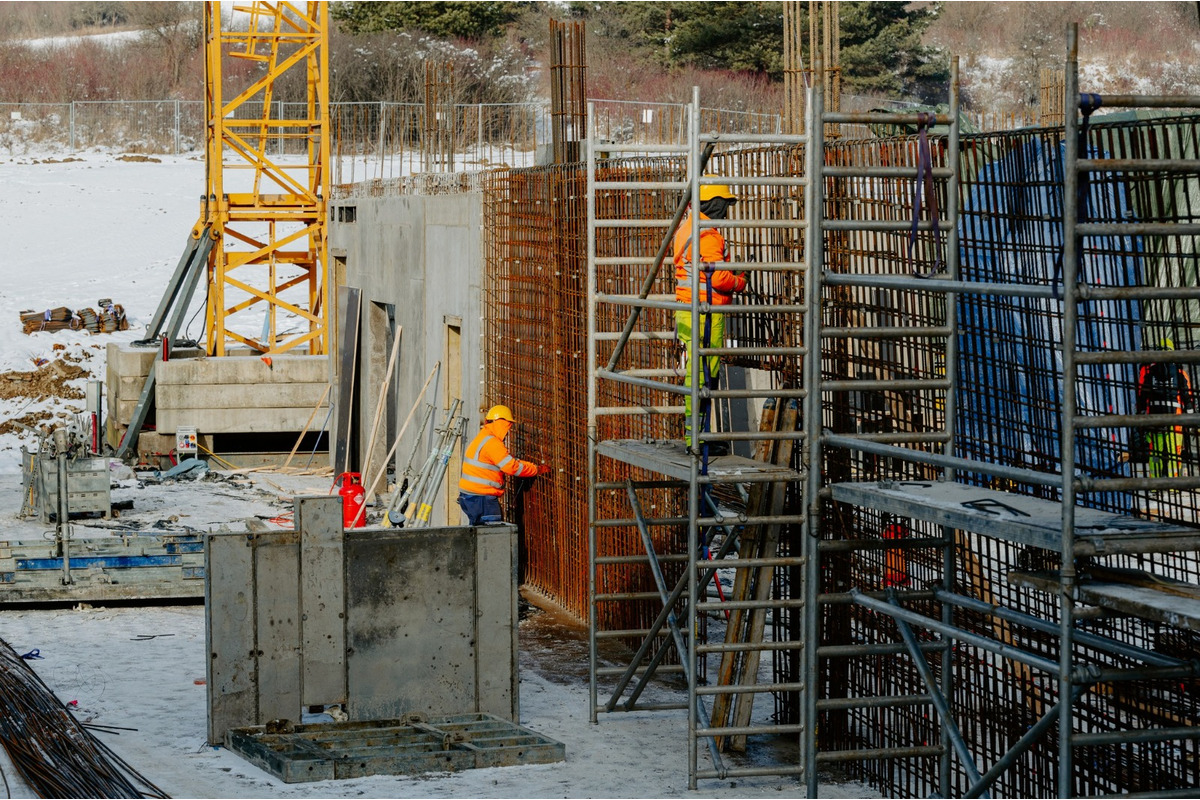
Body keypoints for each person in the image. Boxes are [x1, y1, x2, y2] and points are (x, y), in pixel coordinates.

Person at [673, 177, 746, 451]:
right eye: (724, 204)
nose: (726, 210)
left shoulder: (687, 228)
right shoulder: (707, 234)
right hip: (705, 313)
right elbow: (718, 277)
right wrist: (739, 282)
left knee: (699, 372)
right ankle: (697, 439)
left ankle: (696, 436)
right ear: (714, 204)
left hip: (689, 309)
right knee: (704, 374)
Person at [457, 404, 549, 525]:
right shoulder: (493, 443)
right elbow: (512, 467)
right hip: (481, 498)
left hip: (469, 496)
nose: (508, 432)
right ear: (502, 423)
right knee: (493, 534)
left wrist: (528, 465)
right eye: (508, 425)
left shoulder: (483, 437)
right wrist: (536, 469)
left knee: (478, 534)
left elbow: (507, 461)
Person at [1136, 339, 1194, 480]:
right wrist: (1191, 417)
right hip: (1175, 419)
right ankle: (1174, 484)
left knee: (1155, 453)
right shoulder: (1180, 373)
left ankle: (1155, 484)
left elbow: (1142, 396)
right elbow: (1187, 396)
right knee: (1175, 453)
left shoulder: (1148, 372)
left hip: (1154, 418)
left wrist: (1141, 415)